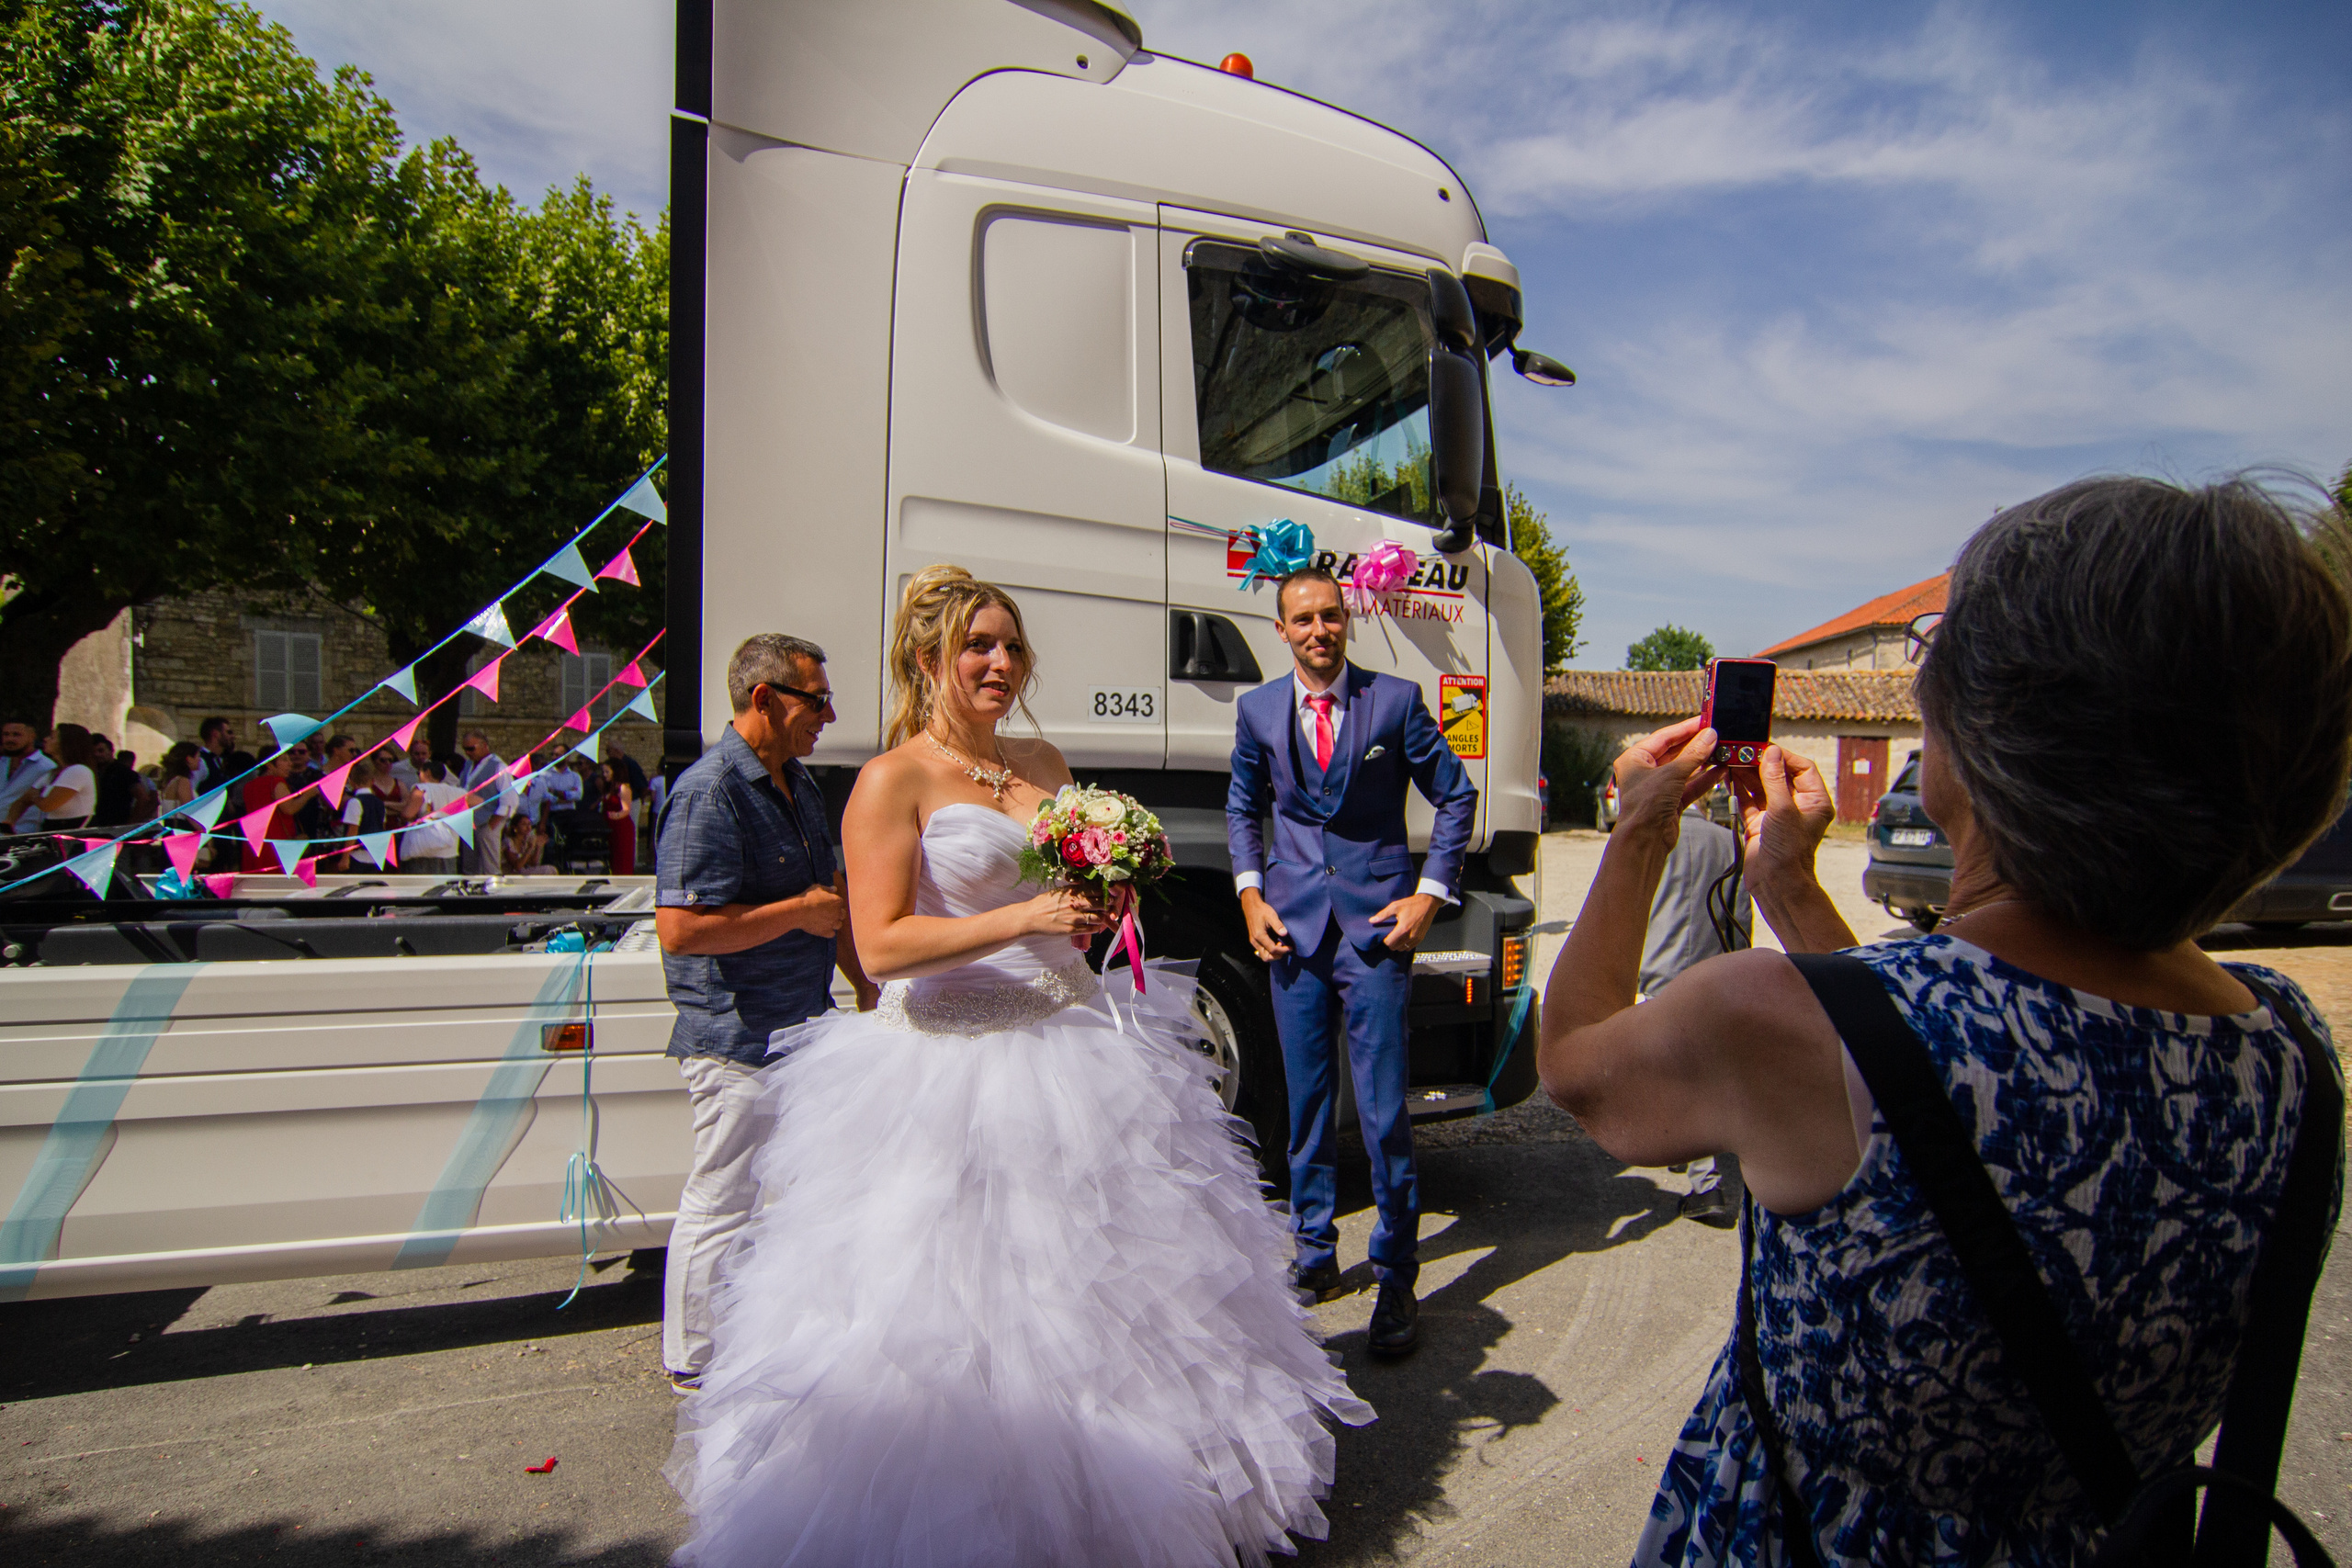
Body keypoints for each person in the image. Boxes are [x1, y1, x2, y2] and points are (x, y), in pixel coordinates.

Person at [1539, 476, 2352, 1565]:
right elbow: (1907, 1062)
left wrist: (1637, 829)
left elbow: (1581, 1069)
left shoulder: (1769, 1020)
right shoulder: (2290, 1052)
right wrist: (1785, 886)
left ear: (1982, 740)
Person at [666, 570, 1373, 1564]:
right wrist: (1025, 915)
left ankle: (1136, 1501)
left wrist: (1106, 904)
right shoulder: (889, 780)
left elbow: (1075, 901)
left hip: (1077, 1040)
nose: (1000, 664)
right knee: (962, 1313)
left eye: (1009, 646)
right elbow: (880, 948)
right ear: (928, 661)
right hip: (950, 1064)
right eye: (977, 647)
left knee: (1116, 1295)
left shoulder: (1043, 759)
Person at [1226, 565, 1477, 1357]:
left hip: (1377, 933)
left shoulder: (1396, 701)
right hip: (1292, 935)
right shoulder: (1257, 709)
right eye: (1302, 619)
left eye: (1330, 615)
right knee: (1305, 1109)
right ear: (1282, 629)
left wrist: (1429, 894)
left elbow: (1457, 796)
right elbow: (1242, 806)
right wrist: (1249, 895)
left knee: (1383, 1114)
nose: (1318, 630)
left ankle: (1397, 1272)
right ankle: (1314, 1251)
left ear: (1348, 619)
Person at [652, 634, 876, 1392]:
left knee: (791, 1195)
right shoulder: (709, 791)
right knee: (723, 1198)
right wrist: (793, 914)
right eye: (816, 698)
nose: (829, 712)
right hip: (737, 1036)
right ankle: (694, 1361)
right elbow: (680, 929)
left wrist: (865, 983)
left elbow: (830, 907)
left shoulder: (797, 784)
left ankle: (760, 1338)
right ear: (765, 698)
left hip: (801, 1027)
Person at [1638, 797, 1753, 1229]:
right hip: (1713, 973)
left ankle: (1707, 1188)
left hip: (1662, 971)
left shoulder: (1650, 838)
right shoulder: (1730, 840)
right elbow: (1739, 912)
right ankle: (1682, 1147)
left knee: (1680, 1076)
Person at [9, 723, 99, 834]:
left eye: (52, 737)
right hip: (52, 828)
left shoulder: (78, 771)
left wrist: (35, 798)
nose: (46, 739)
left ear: (66, 743)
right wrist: (9, 824)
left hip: (72, 832)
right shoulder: (52, 773)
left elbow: (47, 805)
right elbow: (23, 800)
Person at [456, 729, 516, 876]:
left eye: (471, 748)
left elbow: (510, 800)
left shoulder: (498, 767)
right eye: (465, 749)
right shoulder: (468, 765)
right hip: (469, 822)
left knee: (490, 866)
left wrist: (493, 824)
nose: (468, 753)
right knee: (469, 867)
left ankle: (494, 895)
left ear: (484, 746)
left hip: (488, 821)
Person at [401, 759, 464, 874]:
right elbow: (479, 801)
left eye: (418, 773)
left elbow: (408, 814)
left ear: (427, 773)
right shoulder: (458, 792)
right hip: (449, 849)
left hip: (423, 850)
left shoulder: (421, 789)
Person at [0, 717, 57, 833]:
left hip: (24, 835)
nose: (10, 739)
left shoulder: (46, 767)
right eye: (6, 734)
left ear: (32, 736)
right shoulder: (2, 762)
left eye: (16, 735)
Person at [196, 717, 253, 795]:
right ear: (215, 734)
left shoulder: (221, 760)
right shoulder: (199, 760)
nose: (233, 736)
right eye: (228, 732)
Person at [601, 761, 637, 875]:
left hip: (621, 828)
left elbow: (626, 810)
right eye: (603, 772)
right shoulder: (609, 788)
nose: (604, 774)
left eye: (607, 772)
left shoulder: (623, 788)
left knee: (622, 859)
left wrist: (615, 815)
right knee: (613, 859)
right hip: (609, 827)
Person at [155, 741, 204, 818]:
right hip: (183, 828)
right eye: (198, 756)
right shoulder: (182, 781)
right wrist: (202, 829)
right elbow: (189, 811)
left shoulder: (172, 780)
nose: (200, 760)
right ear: (189, 759)